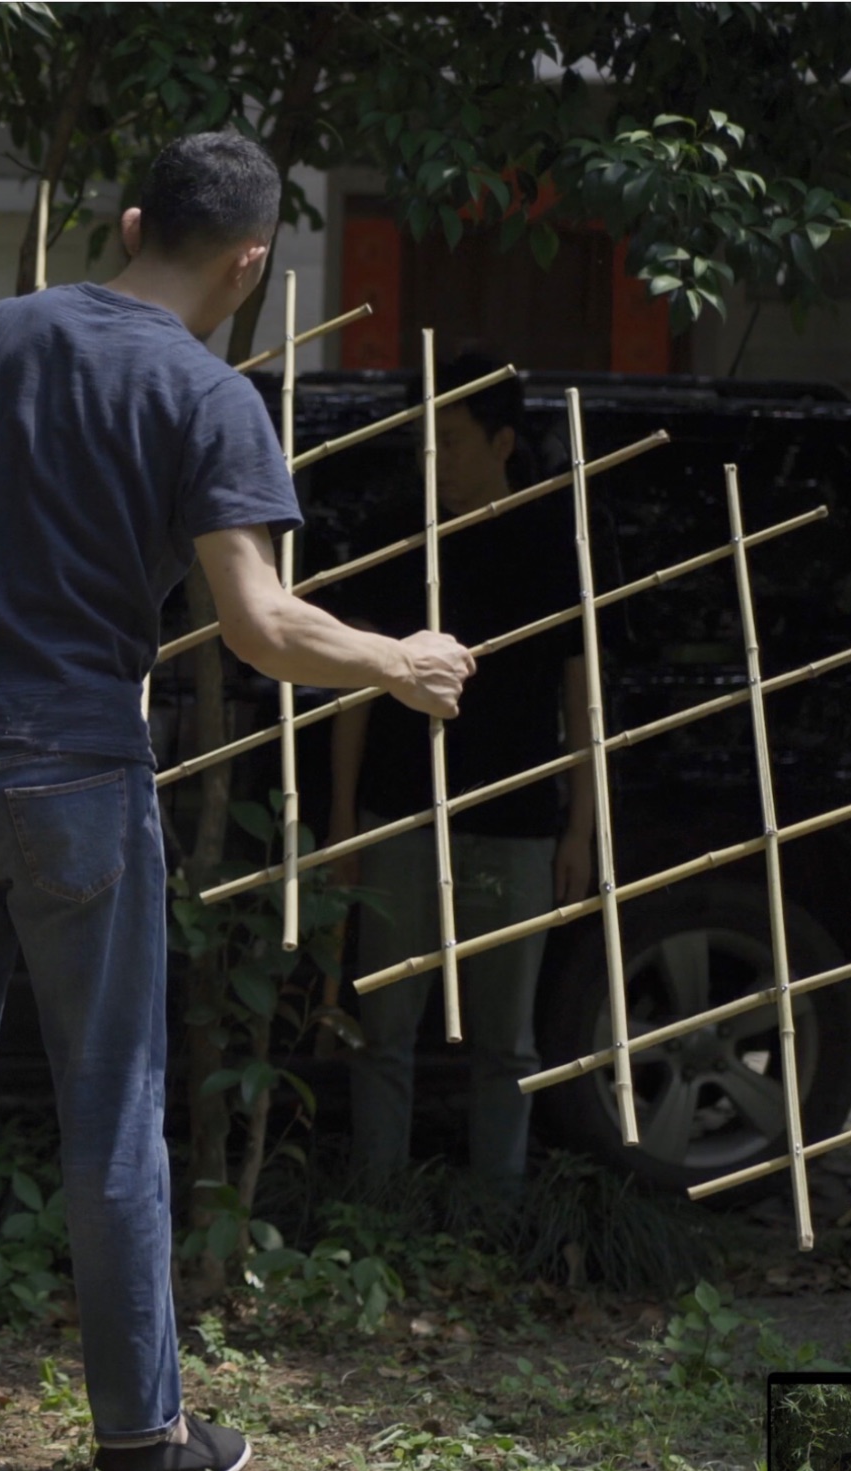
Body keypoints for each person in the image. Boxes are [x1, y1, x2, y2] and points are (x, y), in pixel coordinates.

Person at [0, 131, 476, 1471]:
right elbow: (255, 628)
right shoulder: (206, 395)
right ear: (247, 264)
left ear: (128, 222)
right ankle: (141, 1434)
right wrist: (395, 659)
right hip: (73, 779)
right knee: (108, 1111)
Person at [326, 354, 592, 1200]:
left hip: (517, 819)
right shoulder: (396, 532)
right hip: (400, 812)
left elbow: (582, 689)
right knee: (383, 1031)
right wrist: (343, 817)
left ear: (503, 441)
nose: (429, 458)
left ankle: (497, 1218)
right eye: (421, 442)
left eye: (448, 439)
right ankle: (378, 1209)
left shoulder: (556, 535)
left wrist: (584, 825)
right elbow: (353, 691)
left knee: (506, 1041)